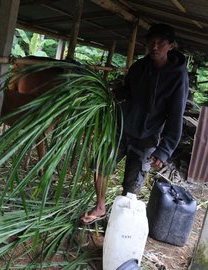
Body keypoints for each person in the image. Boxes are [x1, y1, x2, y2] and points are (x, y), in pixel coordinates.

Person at [80, 23, 189, 224]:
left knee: (132, 182)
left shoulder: (178, 77)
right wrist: (110, 93)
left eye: (160, 43)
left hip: (148, 135)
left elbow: (175, 115)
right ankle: (101, 206)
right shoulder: (139, 67)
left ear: (171, 46)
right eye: (151, 42)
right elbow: (127, 91)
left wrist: (164, 150)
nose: (155, 47)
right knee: (101, 164)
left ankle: (121, 219)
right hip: (122, 126)